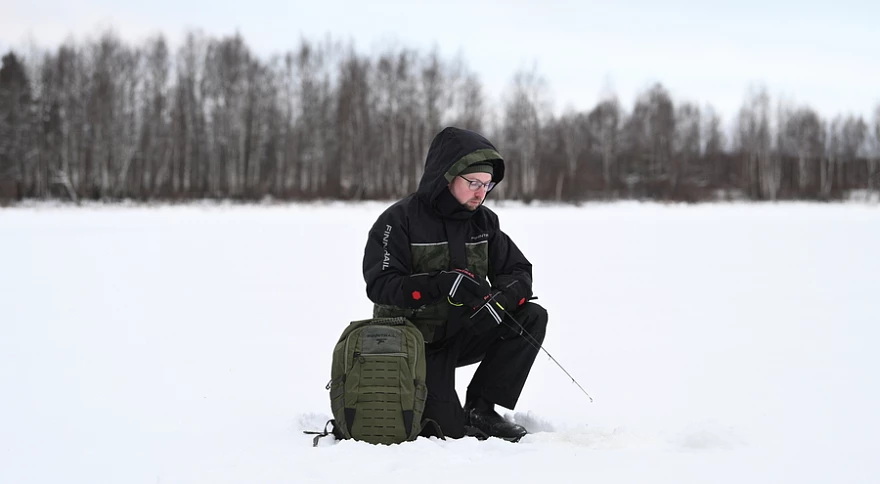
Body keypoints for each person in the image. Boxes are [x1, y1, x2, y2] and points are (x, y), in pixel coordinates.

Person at [362, 126, 548, 442]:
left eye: (487, 185)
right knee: (445, 431)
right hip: (416, 343)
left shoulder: (485, 222)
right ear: (446, 177)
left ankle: (482, 407)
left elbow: (518, 271)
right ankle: (436, 404)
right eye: (473, 182)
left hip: (465, 331)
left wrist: (500, 300)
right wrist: (439, 285)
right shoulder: (399, 220)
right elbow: (380, 285)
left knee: (531, 316)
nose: (481, 192)